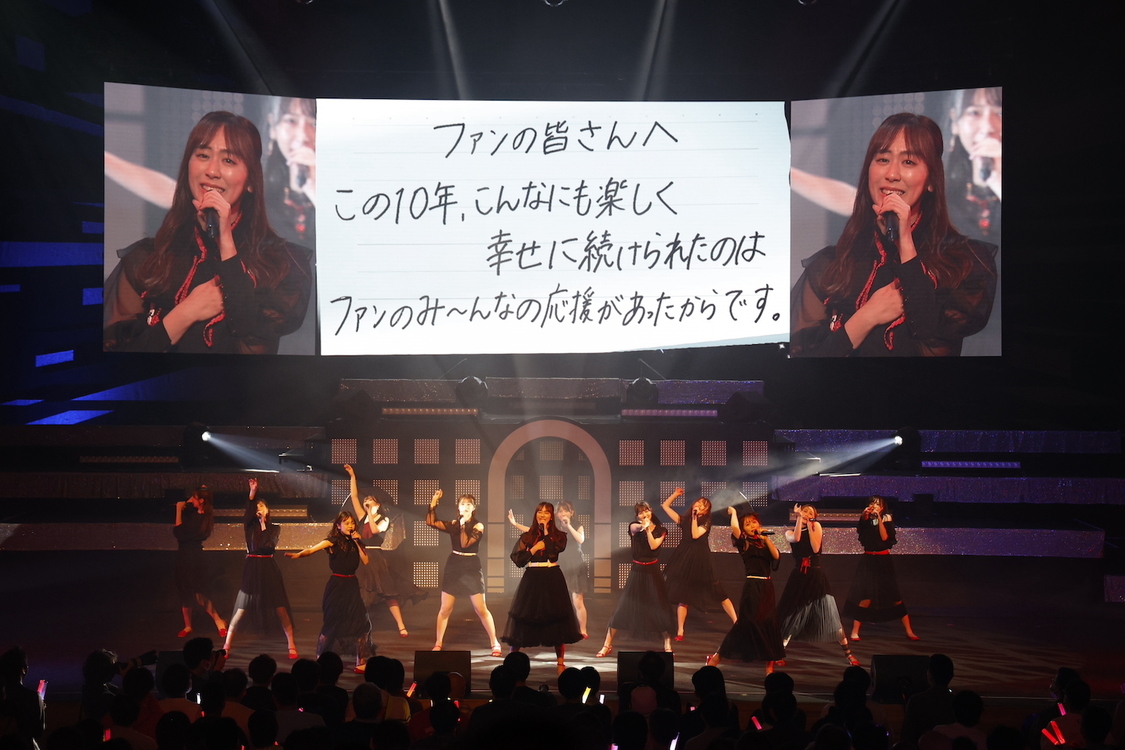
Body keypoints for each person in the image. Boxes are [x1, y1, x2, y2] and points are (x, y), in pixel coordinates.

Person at [104, 110, 312, 354]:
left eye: (229, 161)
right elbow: (118, 359)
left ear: (251, 181)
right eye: (203, 155)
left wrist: (225, 241)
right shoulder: (148, 260)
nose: (212, 171)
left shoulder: (281, 264)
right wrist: (187, 312)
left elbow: (250, 332)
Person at [791, 112, 997, 357]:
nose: (892, 174)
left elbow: (928, 330)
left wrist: (904, 243)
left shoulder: (963, 262)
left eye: (908, 162)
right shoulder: (832, 267)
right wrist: (868, 316)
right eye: (883, 159)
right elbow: (806, 365)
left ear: (932, 180)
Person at [502, 502, 583, 674]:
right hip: (532, 577)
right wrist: (533, 550)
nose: (543, 514)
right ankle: (510, 663)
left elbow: (553, 552)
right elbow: (519, 560)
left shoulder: (559, 536)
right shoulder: (528, 536)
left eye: (547, 512)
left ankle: (560, 663)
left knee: (556, 617)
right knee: (523, 617)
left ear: (552, 516)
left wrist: (546, 532)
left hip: (552, 576)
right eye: (540, 511)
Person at [345, 464, 424, 638]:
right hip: (362, 556)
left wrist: (369, 513)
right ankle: (356, 626)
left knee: (389, 593)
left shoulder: (384, 519)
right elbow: (354, 496)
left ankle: (401, 625)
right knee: (360, 592)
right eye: (366, 499)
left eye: (370, 500)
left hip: (377, 559)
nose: (366, 501)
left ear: (377, 504)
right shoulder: (363, 517)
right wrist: (352, 476)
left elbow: (374, 531)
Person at [285, 511, 372, 669]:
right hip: (337, 586)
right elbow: (312, 550)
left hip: (352, 586)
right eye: (346, 523)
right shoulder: (333, 541)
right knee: (332, 623)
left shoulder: (356, 542)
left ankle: (361, 661)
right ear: (338, 526)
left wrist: (358, 542)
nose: (350, 526)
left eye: (352, 523)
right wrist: (299, 555)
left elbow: (365, 561)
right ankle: (321, 658)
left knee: (361, 622)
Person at [775, 504, 858, 667]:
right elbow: (796, 539)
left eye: (810, 512)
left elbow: (815, 548)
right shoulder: (789, 532)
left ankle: (848, 653)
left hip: (815, 575)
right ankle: (779, 652)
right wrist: (799, 519)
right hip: (799, 576)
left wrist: (811, 526)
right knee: (792, 614)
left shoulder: (816, 526)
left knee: (830, 613)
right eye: (805, 511)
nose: (807, 514)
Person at [222, 478, 297, 658]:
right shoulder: (249, 527)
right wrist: (252, 492)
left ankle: (291, 644)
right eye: (256, 507)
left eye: (261, 506)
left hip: (268, 567)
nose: (258, 508)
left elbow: (268, 546)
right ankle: (226, 645)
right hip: (253, 567)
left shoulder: (274, 528)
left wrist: (263, 524)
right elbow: (248, 509)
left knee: (280, 608)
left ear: (267, 510)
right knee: (241, 609)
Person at [706, 508, 785, 674]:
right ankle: (717, 657)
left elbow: (776, 557)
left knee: (768, 623)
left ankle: (769, 666)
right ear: (744, 530)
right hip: (752, 587)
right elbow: (735, 529)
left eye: (753, 522)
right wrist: (734, 513)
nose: (752, 526)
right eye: (747, 524)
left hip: (767, 588)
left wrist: (766, 539)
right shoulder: (745, 543)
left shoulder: (763, 542)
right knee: (747, 623)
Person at [425, 489, 503, 656]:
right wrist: (433, 503)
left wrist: (462, 525)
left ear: (473, 508)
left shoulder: (478, 525)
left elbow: (465, 543)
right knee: (445, 608)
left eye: (469, 504)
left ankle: (494, 642)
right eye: (462, 504)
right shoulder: (454, 524)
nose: (465, 507)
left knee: (480, 608)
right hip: (454, 565)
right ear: (458, 507)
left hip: (471, 567)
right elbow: (431, 522)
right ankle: (438, 642)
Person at [596, 501, 675, 657]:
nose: (644, 514)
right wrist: (643, 526)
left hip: (653, 572)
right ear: (637, 516)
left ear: (651, 511)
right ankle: (606, 645)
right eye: (640, 512)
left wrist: (649, 529)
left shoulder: (661, 530)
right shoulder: (634, 526)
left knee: (661, 608)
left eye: (646, 511)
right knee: (622, 608)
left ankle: (667, 645)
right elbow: (636, 529)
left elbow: (653, 546)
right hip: (637, 571)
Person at [659, 488, 737, 641]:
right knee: (683, 595)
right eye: (698, 503)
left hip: (701, 558)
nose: (699, 505)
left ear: (707, 510)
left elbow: (695, 535)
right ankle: (680, 630)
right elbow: (665, 506)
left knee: (718, 591)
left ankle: (736, 621)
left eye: (703, 505)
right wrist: (675, 495)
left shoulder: (706, 521)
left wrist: (695, 517)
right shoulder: (684, 520)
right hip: (685, 557)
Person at [507, 499, 591, 638]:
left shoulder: (576, 525)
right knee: (558, 600)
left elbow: (580, 539)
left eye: (565, 511)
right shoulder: (553, 527)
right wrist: (515, 524)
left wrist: (569, 526)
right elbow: (532, 532)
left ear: (571, 512)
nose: (562, 513)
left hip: (575, 564)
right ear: (555, 514)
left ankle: (582, 630)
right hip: (559, 564)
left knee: (577, 600)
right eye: (560, 511)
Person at [843, 496, 919, 641]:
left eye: (877, 504)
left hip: (883, 560)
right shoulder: (865, 519)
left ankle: (909, 631)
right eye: (872, 503)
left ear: (883, 507)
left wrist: (878, 517)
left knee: (895, 597)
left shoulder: (886, 518)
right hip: (869, 560)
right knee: (866, 597)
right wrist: (865, 515)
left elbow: (885, 538)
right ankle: (855, 631)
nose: (874, 505)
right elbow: (862, 531)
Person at [173, 485, 227, 638]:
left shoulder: (201, 518)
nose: (191, 500)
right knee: (185, 591)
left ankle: (219, 621)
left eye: (195, 498)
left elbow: (178, 532)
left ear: (201, 501)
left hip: (193, 557)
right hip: (184, 556)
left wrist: (178, 510)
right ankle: (188, 626)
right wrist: (193, 497)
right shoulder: (194, 513)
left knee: (199, 593)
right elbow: (189, 503)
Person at [265, 97, 317, 245]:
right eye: (291, 121)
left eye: (314, 123)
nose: (302, 136)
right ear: (273, 127)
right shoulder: (257, 194)